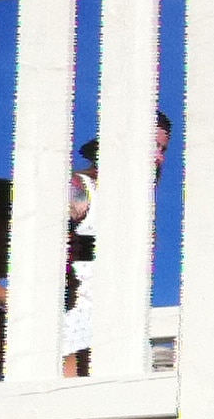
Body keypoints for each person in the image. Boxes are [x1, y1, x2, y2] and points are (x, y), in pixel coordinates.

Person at [62, 111, 175, 374]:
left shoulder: (138, 212)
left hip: (117, 335)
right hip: (70, 337)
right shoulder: (81, 188)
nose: (159, 157)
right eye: (152, 146)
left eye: (162, 149)